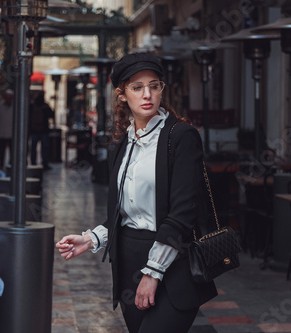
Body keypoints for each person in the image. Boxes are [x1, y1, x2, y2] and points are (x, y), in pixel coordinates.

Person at [56, 53, 217, 333]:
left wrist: (152, 273)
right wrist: (92, 238)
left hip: (173, 262)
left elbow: (182, 214)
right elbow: (126, 212)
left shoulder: (180, 137)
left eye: (154, 86)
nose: (147, 94)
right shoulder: (122, 142)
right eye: (137, 87)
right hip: (128, 262)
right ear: (121, 95)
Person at [28, 91, 55, 170]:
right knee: (44, 148)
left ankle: (34, 162)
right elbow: (51, 115)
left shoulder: (32, 105)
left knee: (34, 148)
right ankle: (44, 163)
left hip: (35, 130)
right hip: (42, 130)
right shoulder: (44, 106)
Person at [0, 89, 14, 168]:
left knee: (12, 150)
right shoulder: (0, 105)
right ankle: (1, 164)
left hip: (12, 132)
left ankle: (12, 164)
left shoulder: (15, 106)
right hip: (2, 131)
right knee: (1, 150)